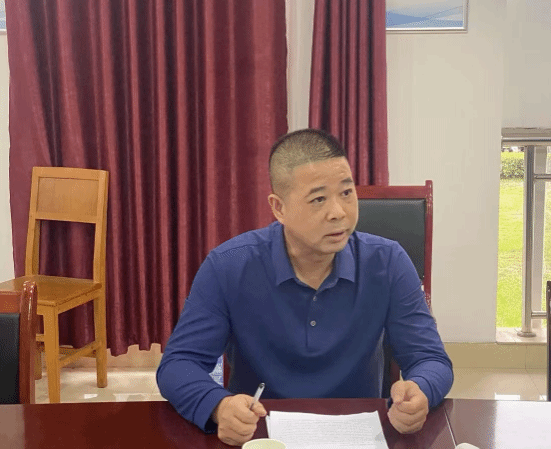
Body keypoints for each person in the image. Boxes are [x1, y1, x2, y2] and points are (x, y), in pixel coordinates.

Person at [157, 128, 453, 446]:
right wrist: (219, 406)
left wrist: (420, 389)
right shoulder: (228, 266)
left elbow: (431, 359)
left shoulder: (388, 262)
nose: (339, 212)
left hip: (358, 435)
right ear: (279, 208)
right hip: (262, 437)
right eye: (318, 199)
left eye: (347, 192)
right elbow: (178, 364)